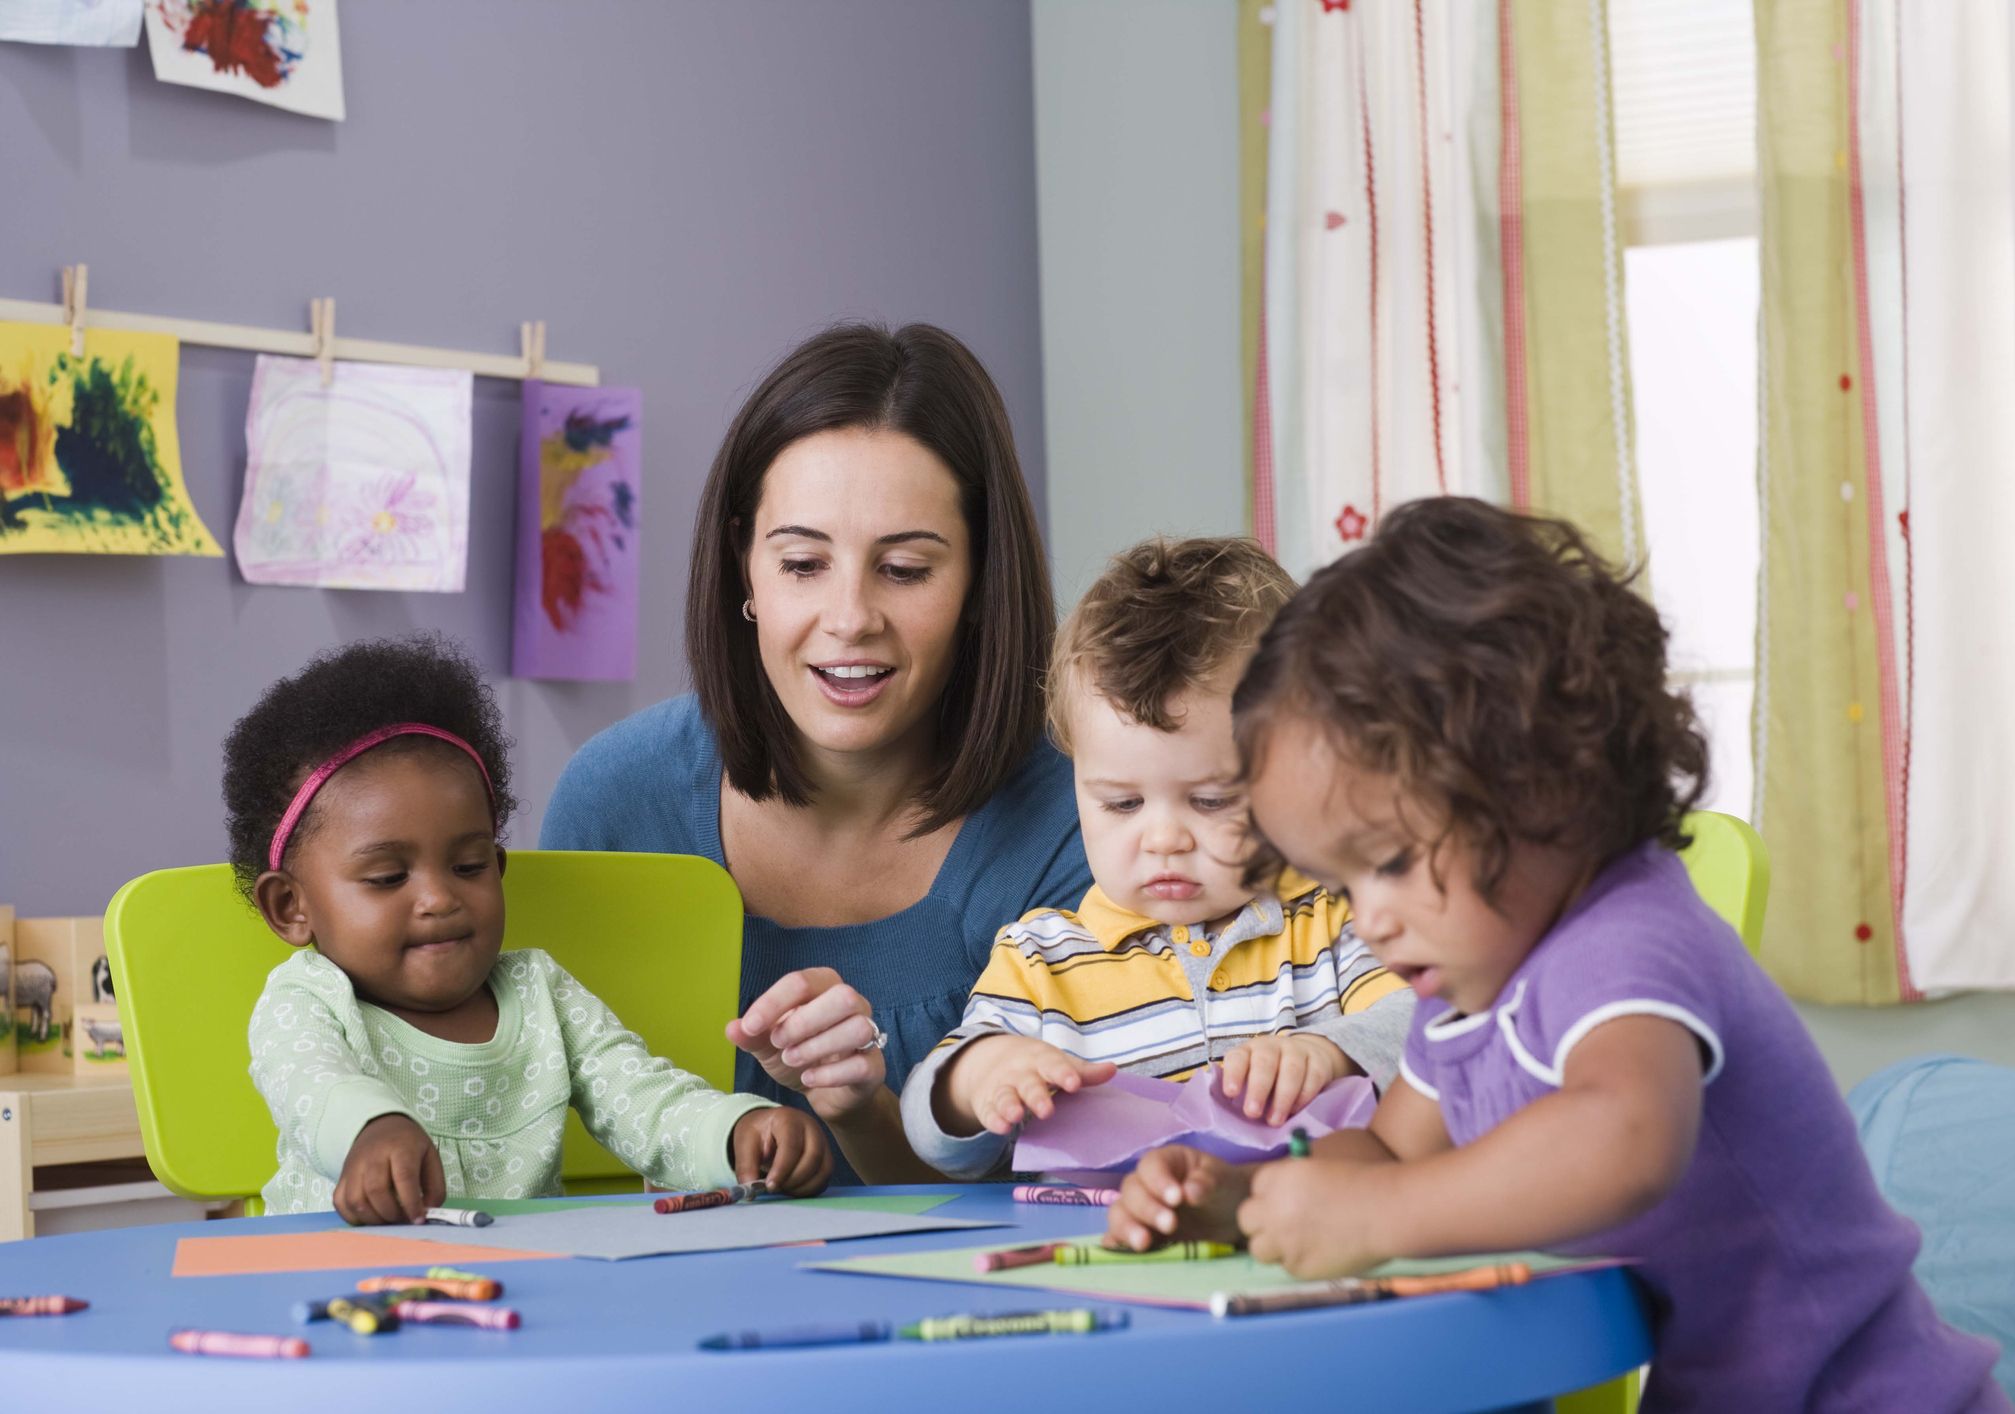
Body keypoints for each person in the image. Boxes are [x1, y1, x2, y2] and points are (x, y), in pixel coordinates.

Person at [1106, 498, 2005, 1411]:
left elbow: (1624, 1135)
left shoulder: (1629, 936)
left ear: (1540, 776)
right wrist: (1246, 1198)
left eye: (1391, 862)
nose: (1369, 919)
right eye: (1339, 885)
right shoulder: (1464, 988)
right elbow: (1385, 1151)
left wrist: (1374, 1218)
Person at [542, 323, 1092, 1183]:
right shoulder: (615, 801)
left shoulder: (1084, 823)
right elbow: (549, 1158)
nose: (848, 618)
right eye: (802, 563)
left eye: (904, 570)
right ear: (743, 570)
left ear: (982, 582)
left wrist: (859, 1108)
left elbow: (1055, 1205)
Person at [231, 637, 831, 1222]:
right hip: (342, 1283)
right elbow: (313, 1087)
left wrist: (736, 1132)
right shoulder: (306, 1002)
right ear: (290, 906)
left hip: (523, 1288)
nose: (439, 899)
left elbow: (642, 1098)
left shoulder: (539, 991)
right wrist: (371, 1129)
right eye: (388, 877)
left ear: (497, 869)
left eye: (468, 867)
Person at [901, 537, 1411, 1178]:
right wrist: (978, 1077)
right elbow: (928, 1129)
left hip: (1295, 1244)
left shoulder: (1332, 915)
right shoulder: (1042, 962)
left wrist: (1331, 1050)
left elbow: (1433, 1028)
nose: (1163, 839)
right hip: (1103, 1257)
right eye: (1121, 804)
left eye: (1211, 799)